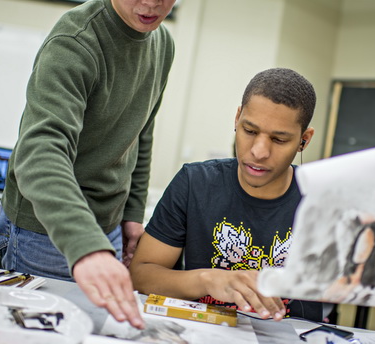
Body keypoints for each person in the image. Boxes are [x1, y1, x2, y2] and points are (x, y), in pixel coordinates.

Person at [0, 0, 192, 329]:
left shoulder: (162, 44)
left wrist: (133, 214)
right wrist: (88, 248)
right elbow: (41, 152)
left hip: (110, 230)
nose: (153, 0)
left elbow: (141, 131)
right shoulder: (75, 43)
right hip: (48, 231)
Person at [130, 67, 324, 322]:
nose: (259, 151)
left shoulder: (322, 199)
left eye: (278, 140)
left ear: (304, 140)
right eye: (250, 131)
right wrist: (207, 279)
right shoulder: (195, 183)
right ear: (237, 119)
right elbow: (142, 274)